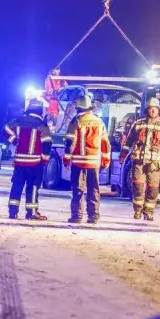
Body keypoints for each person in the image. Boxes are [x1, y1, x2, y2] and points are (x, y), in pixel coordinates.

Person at [118, 97, 160, 221]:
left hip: (155, 164)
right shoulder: (138, 123)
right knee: (138, 186)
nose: (152, 111)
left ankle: (148, 212)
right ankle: (138, 211)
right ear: (146, 110)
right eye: (150, 109)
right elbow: (128, 141)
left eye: (155, 109)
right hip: (138, 161)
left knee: (153, 187)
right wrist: (123, 155)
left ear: (158, 110)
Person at [62, 95, 110, 224]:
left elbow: (70, 142)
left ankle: (77, 216)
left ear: (79, 106)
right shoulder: (99, 122)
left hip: (79, 162)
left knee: (78, 189)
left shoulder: (76, 121)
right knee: (94, 189)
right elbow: (105, 142)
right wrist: (105, 159)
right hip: (94, 162)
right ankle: (93, 216)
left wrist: (66, 159)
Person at [3, 98, 52, 220]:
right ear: (40, 110)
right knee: (33, 187)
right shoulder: (42, 125)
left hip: (20, 161)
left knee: (17, 186)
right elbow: (47, 144)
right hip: (35, 163)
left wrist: (15, 141)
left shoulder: (19, 120)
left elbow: (5, 130)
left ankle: (13, 212)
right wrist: (45, 160)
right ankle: (31, 212)